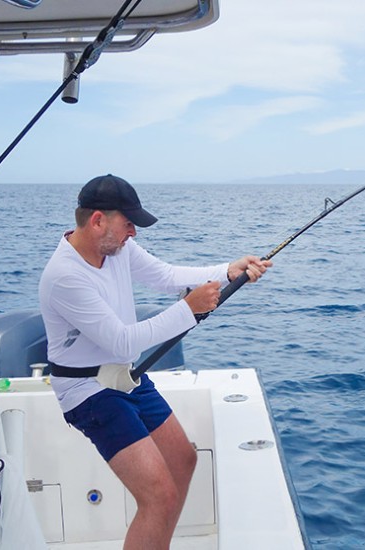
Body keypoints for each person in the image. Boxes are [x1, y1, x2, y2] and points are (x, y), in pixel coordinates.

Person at [38, 174, 271, 549]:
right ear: (98, 220)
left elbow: (166, 275)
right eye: (128, 223)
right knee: (159, 496)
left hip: (124, 377)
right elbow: (121, 339)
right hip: (87, 391)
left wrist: (227, 270)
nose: (133, 232)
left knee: (183, 460)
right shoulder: (65, 276)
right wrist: (187, 309)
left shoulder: (117, 249)